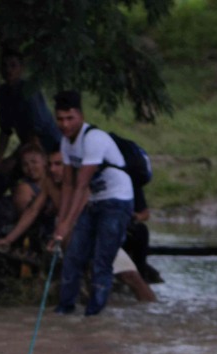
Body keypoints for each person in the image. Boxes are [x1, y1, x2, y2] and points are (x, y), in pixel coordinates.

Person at [47, 91, 137, 316]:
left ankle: (93, 316)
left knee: (101, 262)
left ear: (81, 116)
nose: (65, 125)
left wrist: (67, 225)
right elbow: (67, 184)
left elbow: (81, 185)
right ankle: (64, 309)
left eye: (70, 118)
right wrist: (61, 223)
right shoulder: (66, 142)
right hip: (94, 202)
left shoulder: (93, 139)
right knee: (73, 257)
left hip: (117, 201)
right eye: (60, 119)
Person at [0, 50, 58, 174]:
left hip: (49, 144)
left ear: (21, 68)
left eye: (13, 66)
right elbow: (5, 130)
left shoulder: (29, 91)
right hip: (27, 144)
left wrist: (24, 158)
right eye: (4, 66)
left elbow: (37, 131)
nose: (8, 70)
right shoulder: (3, 92)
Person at [0, 145, 61, 253]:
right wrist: (8, 240)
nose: (52, 169)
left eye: (58, 164)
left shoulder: (76, 183)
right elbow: (32, 210)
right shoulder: (47, 184)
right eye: (25, 164)